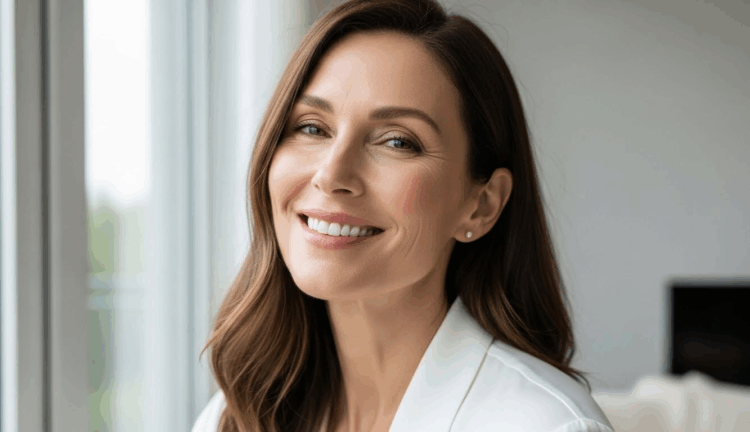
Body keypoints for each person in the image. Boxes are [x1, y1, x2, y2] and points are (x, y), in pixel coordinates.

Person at [192, 0, 614, 431]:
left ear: (482, 205)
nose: (331, 175)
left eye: (397, 142)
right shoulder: (235, 414)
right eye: (312, 128)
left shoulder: (548, 425)